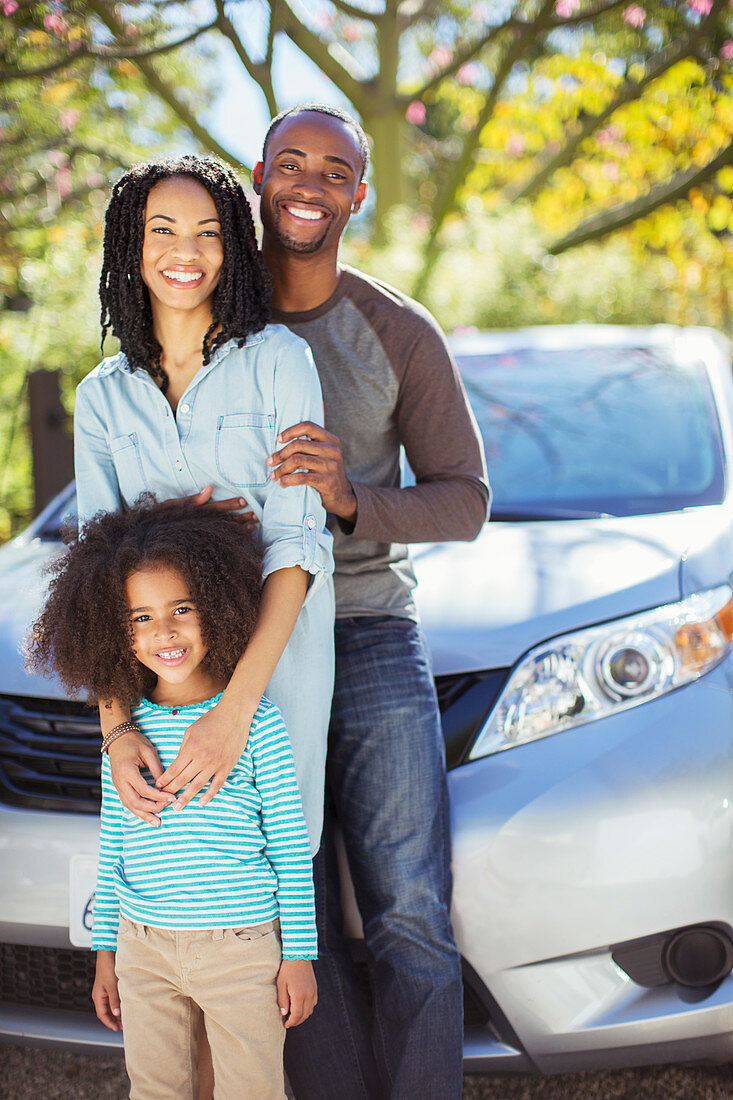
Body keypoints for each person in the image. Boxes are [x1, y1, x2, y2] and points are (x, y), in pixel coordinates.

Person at [107, 110, 489, 1098]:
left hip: (361, 631)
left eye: (334, 170)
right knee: (284, 903)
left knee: (406, 907)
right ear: (258, 180)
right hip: (220, 652)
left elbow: (465, 497)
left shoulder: (393, 332)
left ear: (358, 192)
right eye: (290, 164)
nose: (309, 184)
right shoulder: (190, 322)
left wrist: (351, 496)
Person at [73, 154, 334, 855]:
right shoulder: (101, 396)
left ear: (232, 249)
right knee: (173, 877)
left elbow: (298, 538)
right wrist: (117, 731)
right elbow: (97, 576)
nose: (184, 253)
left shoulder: (280, 361)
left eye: (208, 232)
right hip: (155, 682)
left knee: (274, 866)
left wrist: (234, 713)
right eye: (162, 230)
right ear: (132, 244)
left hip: (276, 667)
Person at [27, 501, 318, 1100]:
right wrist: (106, 953)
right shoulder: (125, 740)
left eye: (182, 610)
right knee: (156, 1091)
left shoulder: (254, 723)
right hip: (144, 949)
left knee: (253, 1091)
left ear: (219, 607)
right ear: (115, 632)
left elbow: (289, 846)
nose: (164, 633)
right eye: (140, 618)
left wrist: (299, 957)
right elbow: (114, 851)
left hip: (240, 949)